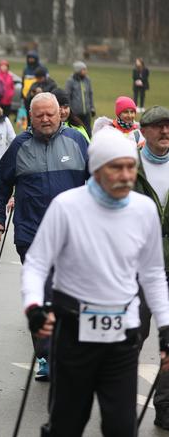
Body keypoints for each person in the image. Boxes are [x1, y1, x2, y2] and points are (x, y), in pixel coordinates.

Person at [21, 127, 169, 437]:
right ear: (97, 169)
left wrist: (166, 328)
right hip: (74, 329)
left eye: (131, 166)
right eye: (117, 167)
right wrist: (34, 306)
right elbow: (36, 263)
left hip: (123, 333)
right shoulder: (67, 206)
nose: (127, 174)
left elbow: (153, 273)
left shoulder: (144, 210)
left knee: (120, 426)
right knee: (66, 424)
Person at [0, 92, 89, 381]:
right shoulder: (19, 145)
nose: (45, 119)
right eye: (39, 115)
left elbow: (97, 183)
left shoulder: (78, 141)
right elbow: (0, 186)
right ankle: (45, 355)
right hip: (32, 234)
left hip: (73, 235)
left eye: (50, 114)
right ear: (29, 117)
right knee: (42, 296)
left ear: (61, 114)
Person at [134, 106, 169, 429]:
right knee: (133, 336)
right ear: (143, 131)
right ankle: (118, 398)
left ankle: (165, 405)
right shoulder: (128, 167)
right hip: (137, 269)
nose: (165, 132)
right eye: (158, 127)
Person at [65, 61, 95, 137]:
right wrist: (70, 110)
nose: (86, 71)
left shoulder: (87, 80)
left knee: (88, 130)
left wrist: (92, 107)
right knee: (77, 131)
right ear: (78, 70)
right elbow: (67, 96)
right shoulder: (70, 81)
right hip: (76, 112)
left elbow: (90, 94)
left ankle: (88, 145)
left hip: (87, 112)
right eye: (83, 69)